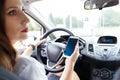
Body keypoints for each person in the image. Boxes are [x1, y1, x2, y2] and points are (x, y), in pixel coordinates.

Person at [0, 0, 80, 80]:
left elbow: (19, 63)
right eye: (12, 12)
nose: (27, 19)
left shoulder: (8, 62)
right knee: (72, 74)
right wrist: (70, 63)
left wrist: (33, 46)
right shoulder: (30, 66)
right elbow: (23, 65)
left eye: (22, 10)